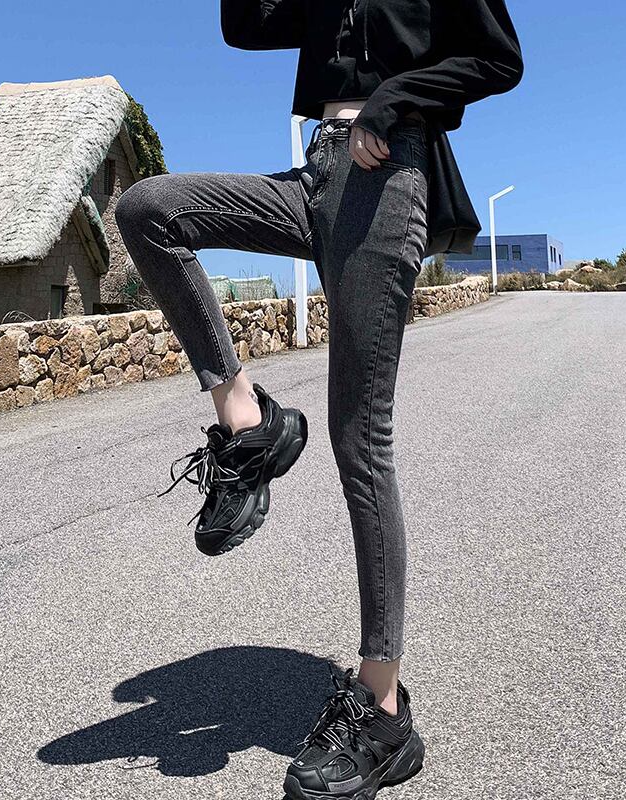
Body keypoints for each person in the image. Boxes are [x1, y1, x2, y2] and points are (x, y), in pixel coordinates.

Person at [114, 1, 522, 796]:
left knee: (358, 441)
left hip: (388, 176)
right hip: (316, 174)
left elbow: (498, 57)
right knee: (149, 209)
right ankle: (249, 420)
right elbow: (248, 24)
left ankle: (383, 706)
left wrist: (394, 100)